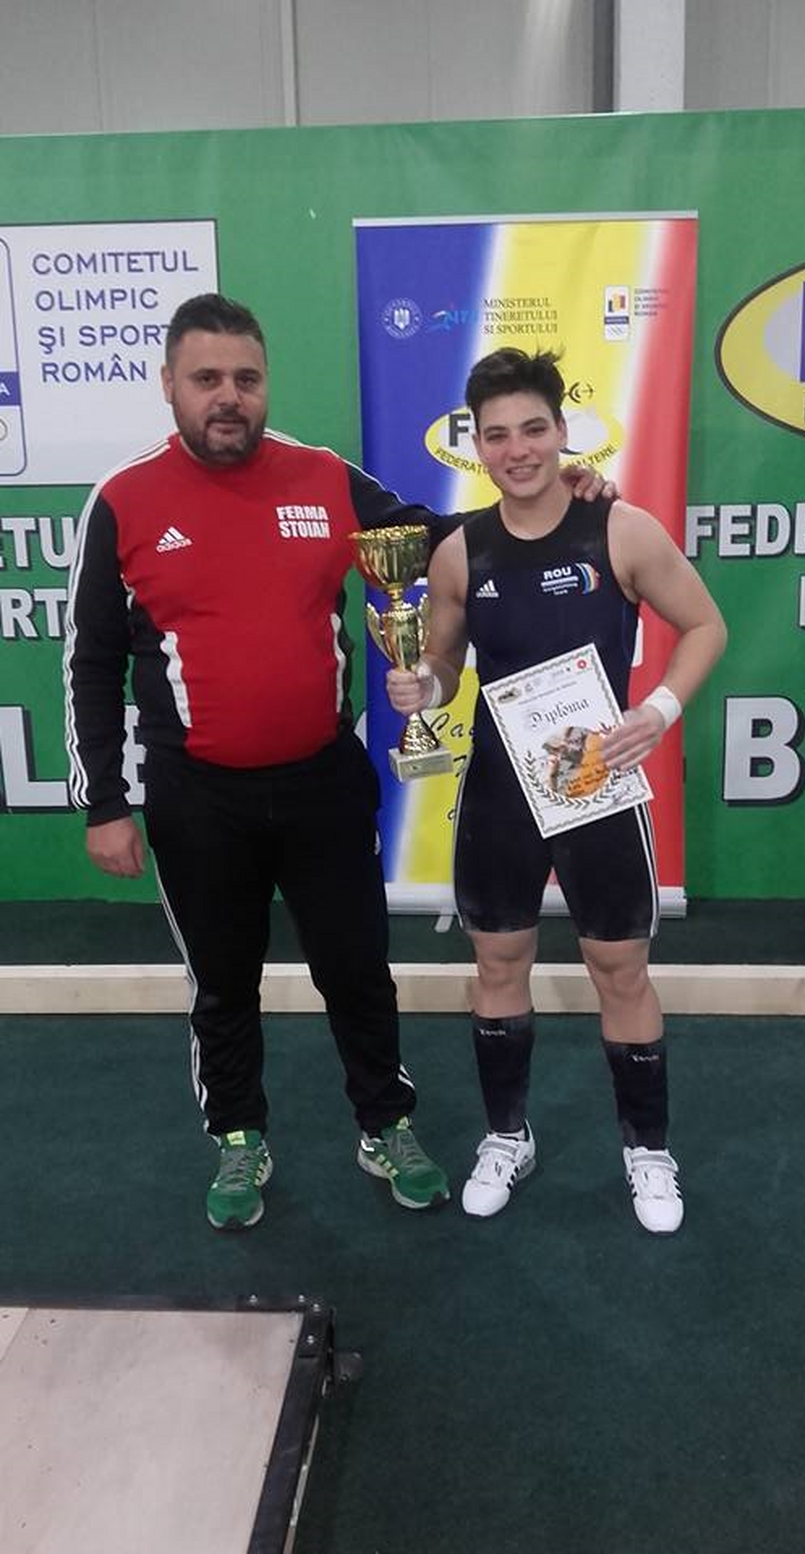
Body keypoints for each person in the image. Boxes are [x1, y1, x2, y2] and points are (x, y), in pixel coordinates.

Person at [63, 296, 609, 1233]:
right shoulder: (123, 500)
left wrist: (557, 500)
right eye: (206, 379)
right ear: (169, 386)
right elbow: (91, 660)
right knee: (222, 982)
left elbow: (446, 539)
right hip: (196, 794)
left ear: (265, 383)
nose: (229, 397)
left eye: (246, 378)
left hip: (323, 781)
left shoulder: (323, 478)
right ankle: (238, 1136)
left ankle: (385, 1124)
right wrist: (104, 801)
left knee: (357, 970)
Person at [386, 346, 727, 1234]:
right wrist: (422, 684)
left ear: (561, 431)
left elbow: (704, 625)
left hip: (595, 783)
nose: (517, 449)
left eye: (532, 429)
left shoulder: (619, 530)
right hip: (500, 790)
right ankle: (507, 1136)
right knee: (497, 965)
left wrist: (656, 710)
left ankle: (647, 1151)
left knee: (619, 968)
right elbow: (446, 664)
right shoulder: (458, 552)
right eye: (497, 435)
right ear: (476, 445)